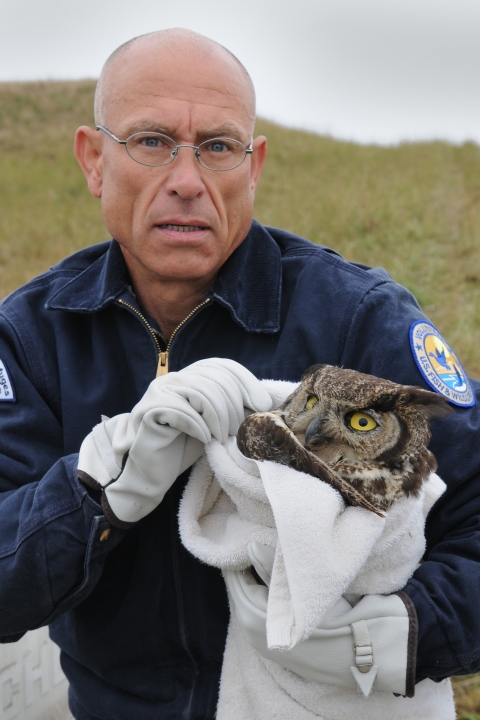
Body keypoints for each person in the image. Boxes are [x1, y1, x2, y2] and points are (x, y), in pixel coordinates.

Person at [0, 27, 478, 720]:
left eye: (218, 147)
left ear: (252, 168)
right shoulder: (33, 336)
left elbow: (471, 513)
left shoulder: (354, 322)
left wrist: (401, 634)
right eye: (152, 141)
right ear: (94, 159)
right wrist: (95, 486)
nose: (188, 181)